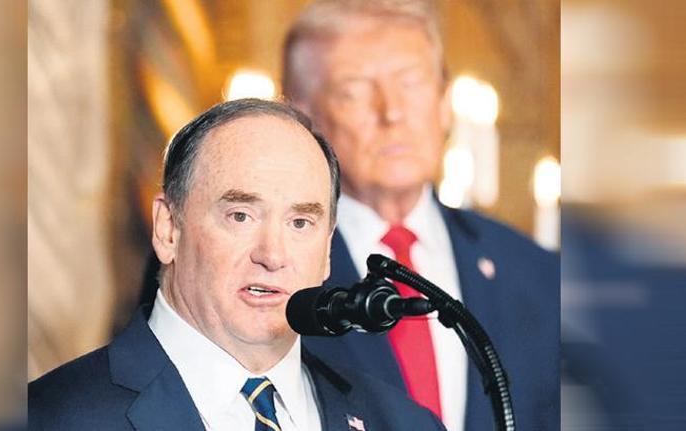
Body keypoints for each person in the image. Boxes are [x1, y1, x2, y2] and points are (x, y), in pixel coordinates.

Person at [28, 98, 447, 431]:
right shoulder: (49, 418)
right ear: (168, 229)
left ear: (327, 250)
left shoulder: (404, 423)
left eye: (300, 223)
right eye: (240, 216)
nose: (273, 255)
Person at [282, 1, 559, 430]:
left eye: (410, 83)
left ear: (444, 101)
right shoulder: (276, 273)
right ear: (304, 119)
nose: (392, 112)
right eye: (354, 91)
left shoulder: (533, 271)